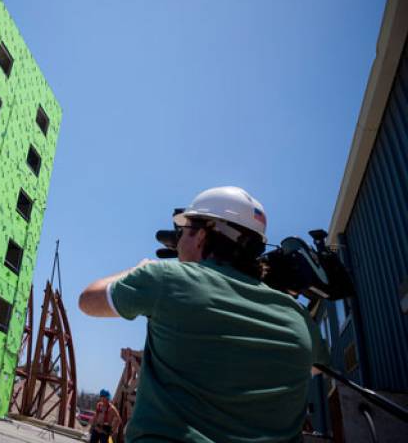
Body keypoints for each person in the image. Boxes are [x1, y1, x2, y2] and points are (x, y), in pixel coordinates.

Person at [78, 186, 330, 442]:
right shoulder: (299, 318)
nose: (179, 244)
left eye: (184, 232)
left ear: (201, 236)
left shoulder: (165, 278)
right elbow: (316, 368)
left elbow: (88, 301)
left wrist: (139, 270)